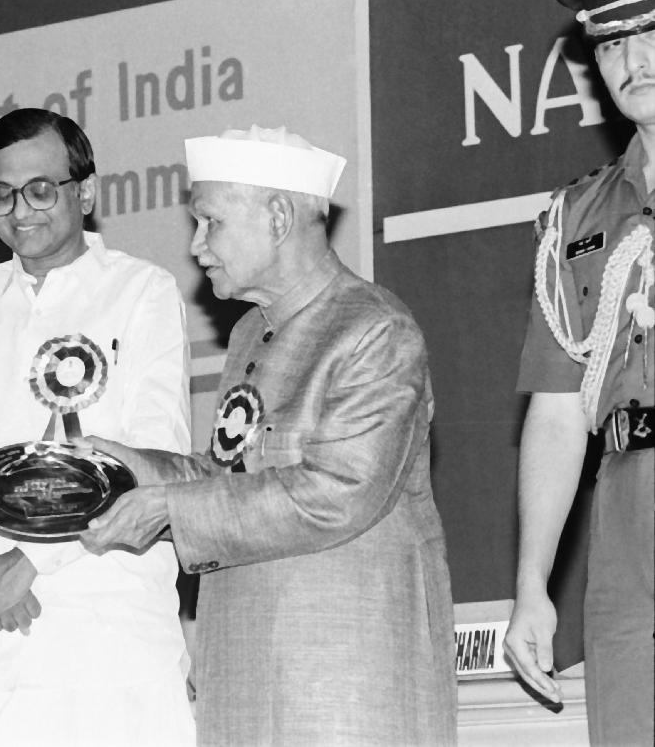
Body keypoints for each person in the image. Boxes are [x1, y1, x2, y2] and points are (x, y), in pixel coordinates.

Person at [79, 126, 457, 745]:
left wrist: (170, 509)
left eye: (210, 222)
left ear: (278, 218)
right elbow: (231, 475)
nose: (196, 246)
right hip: (244, 671)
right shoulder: (250, 333)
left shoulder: (375, 330)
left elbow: (337, 493)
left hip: (344, 684)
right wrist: (127, 467)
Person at [0, 108, 195, 747]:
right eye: (1, 194)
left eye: (40, 189)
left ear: (84, 192)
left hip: (108, 636)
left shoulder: (142, 292)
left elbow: (151, 463)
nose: (20, 210)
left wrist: (27, 561)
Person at [504, 0, 655, 745]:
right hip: (626, 501)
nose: (634, 61)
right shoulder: (578, 218)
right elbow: (558, 410)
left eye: (652, 33)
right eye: (612, 43)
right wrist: (531, 584)